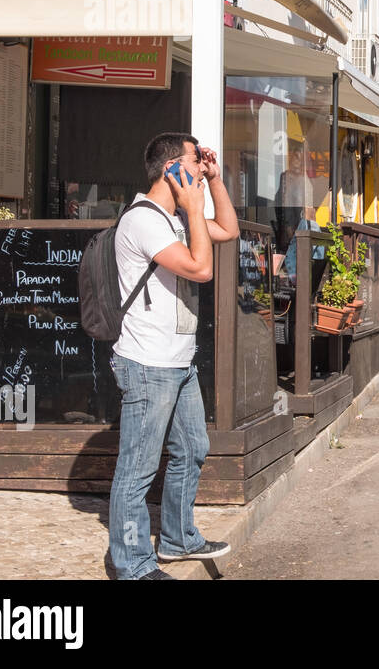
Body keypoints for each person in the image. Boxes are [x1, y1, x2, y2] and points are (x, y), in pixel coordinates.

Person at [109, 133, 239, 580]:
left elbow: (228, 230)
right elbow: (202, 269)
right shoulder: (144, 220)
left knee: (192, 449)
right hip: (148, 363)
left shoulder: (175, 219)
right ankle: (132, 564)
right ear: (172, 170)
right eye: (195, 160)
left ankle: (177, 539)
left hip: (178, 361)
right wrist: (191, 205)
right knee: (138, 467)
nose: (202, 166)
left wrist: (214, 183)